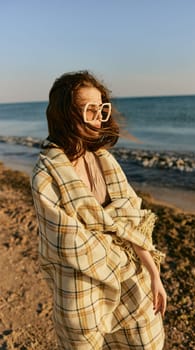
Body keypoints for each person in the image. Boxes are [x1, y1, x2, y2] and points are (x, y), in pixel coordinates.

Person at [31, 70, 167, 349]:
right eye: (90, 110)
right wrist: (121, 248)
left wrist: (154, 272)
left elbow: (131, 220)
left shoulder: (104, 160)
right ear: (66, 114)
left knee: (146, 342)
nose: (99, 117)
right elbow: (69, 244)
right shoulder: (46, 176)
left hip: (130, 275)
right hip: (80, 289)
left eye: (102, 109)